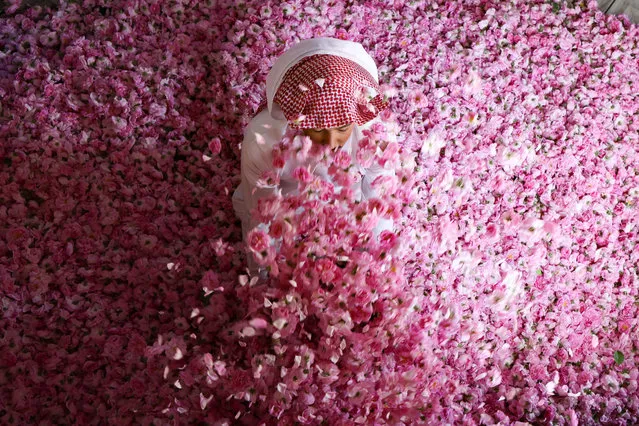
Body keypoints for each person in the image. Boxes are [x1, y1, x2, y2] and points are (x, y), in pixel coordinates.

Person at [232, 37, 395, 275]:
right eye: (318, 129)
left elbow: (378, 199)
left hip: (346, 205)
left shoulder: (375, 134)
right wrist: (263, 280)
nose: (330, 143)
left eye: (341, 129)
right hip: (287, 206)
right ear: (297, 119)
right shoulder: (263, 140)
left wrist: (376, 264)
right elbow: (261, 213)